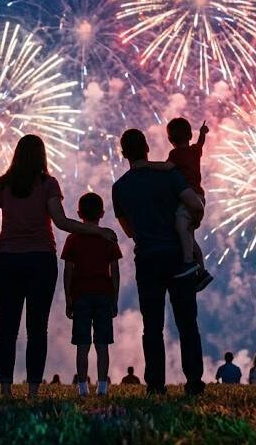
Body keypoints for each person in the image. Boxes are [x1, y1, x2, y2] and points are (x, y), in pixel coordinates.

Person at [0, 134, 116, 398]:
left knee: (7, 328)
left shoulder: (3, 184)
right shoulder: (48, 184)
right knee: (37, 329)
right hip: (41, 260)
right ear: (42, 156)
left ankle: (6, 389)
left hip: (8, 260)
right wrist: (97, 231)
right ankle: (32, 390)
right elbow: (62, 222)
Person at [112, 129, 206, 397]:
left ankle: (155, 384)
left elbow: (129, 231)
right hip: (177, 256)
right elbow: (194, 204)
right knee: (187, 322)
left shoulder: (120, 187)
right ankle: (193, 382)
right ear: (147, 148)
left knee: (152, 326)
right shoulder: (169, 174)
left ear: (124, 154)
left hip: (147, 258)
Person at [63, 192, 122, 397]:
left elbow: (68, 271)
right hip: (104, 294)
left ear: (79, 214)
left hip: (80, 295)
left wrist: (68, 298)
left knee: (82, 344)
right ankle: (102, 387)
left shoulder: (72, 238)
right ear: (102, 213)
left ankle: (82, 388)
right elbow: (115, 271)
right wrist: (115, 298)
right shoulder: (108, 237)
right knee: (102, 344)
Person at [144, 118, 213, 291]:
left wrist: (146, 165)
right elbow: (200, 143)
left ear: (170, 140)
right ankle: (202, 273)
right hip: (200, 198)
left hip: (188, 198)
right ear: (189, 135)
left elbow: (167, 167)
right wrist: (202, 133)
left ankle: (188, 263)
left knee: (180, 226)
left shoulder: (175, 154)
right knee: (189, 236)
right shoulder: (195, 150)